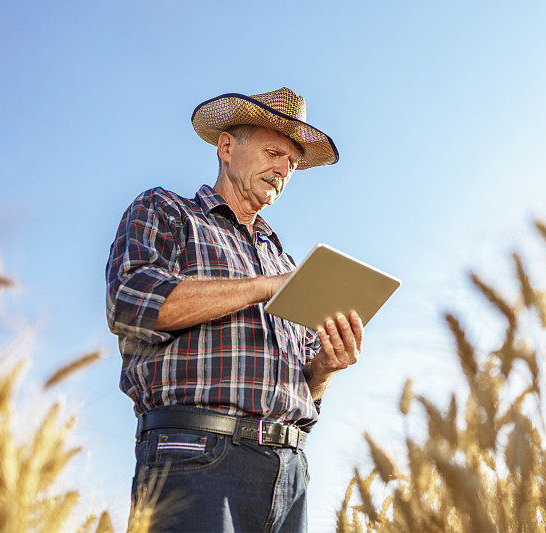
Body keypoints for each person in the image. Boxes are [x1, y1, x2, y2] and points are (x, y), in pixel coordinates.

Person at [105, 87, 363, 532]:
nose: (283, 168)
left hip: (290, 470)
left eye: (292, 163)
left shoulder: (286, 263)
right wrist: (264, 287)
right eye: (273, 151)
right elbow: (130, 300)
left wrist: (326, 365)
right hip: (195, 455)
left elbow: (306, 384)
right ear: (226, 147)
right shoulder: (168, 212)